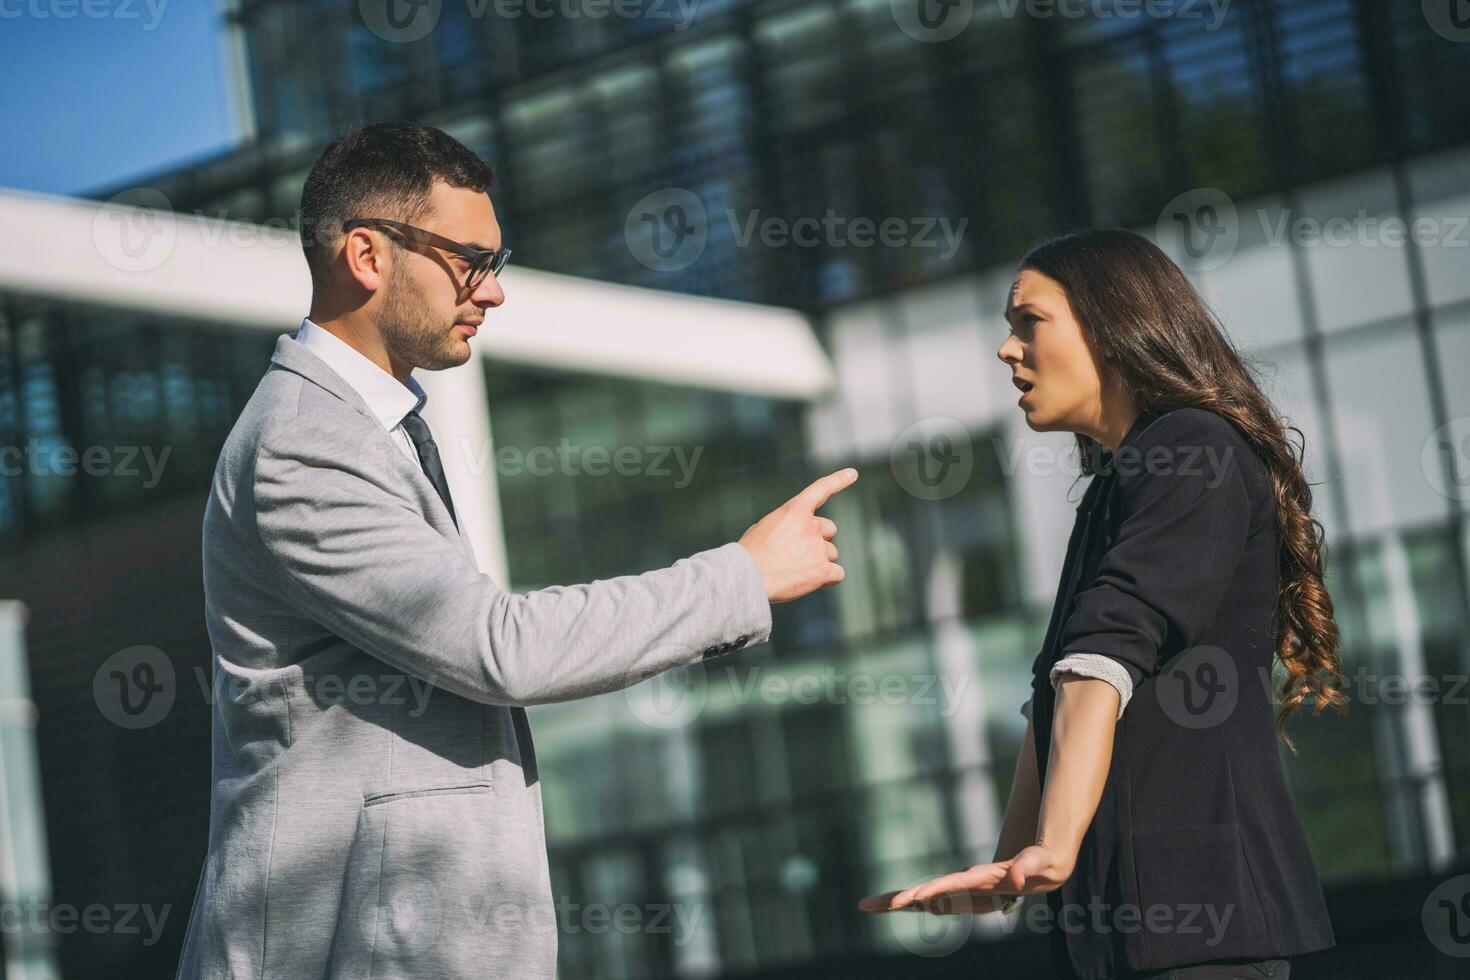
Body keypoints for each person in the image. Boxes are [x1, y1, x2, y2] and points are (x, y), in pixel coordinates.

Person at [175, 121, 856, 979]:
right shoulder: (302, 448)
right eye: (471, 259)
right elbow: (500, 648)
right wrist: (739, 578)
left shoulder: (365, 432)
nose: (492, 293)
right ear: (367, 255)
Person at [860, 228, 1345, 980]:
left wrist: (1050, 845)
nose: (1006, 349)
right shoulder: (1121, 483)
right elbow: (1056, 693)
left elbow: (1104, 653)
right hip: (1129, 940)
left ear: (1115, 325)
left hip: (1205, 936)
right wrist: (1009, 871)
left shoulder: (1194, 448)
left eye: (1030, 322)